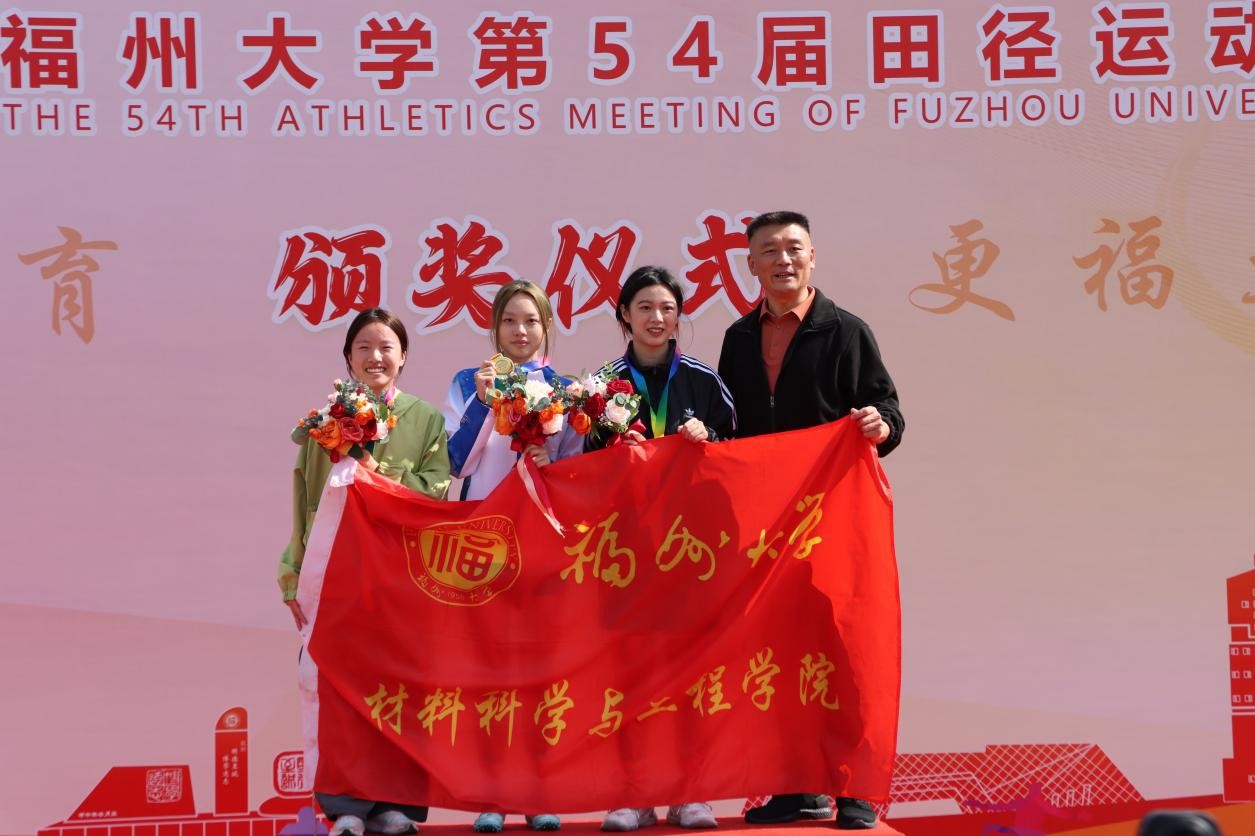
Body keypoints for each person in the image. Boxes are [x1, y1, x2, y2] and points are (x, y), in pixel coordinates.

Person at [717, 211, 904, 831]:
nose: (783, 260)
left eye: (793, 248)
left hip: (832, 519)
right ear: (751, 264)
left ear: (812, 256)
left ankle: (851, 787)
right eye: (769, 250)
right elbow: (730, 424)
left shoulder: (846, 331)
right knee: (778, 652)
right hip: (764, 525)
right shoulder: (738, 338)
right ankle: (794, 786)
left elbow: (887, 408)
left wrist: (880, 424)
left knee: (842, 649)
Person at [279, 307, 451, 836]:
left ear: (404, 357)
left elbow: (437, 490)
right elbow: (306, 497)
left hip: (403, 572)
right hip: (340, 571)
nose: (376, 357)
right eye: (364, 348)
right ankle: (347, 806)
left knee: (402, 685)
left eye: (386, 348)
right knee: (343, 689)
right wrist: (293, 570)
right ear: (348, 358)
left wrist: (378, 474)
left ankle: (398, 804)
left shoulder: (426, 419)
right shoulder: (325, 422)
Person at [594, 266, 736, 832]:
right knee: (628, 675)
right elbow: (578, 463)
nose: (657, 318)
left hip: (689, 552)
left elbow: (743, 456)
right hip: (624, 555)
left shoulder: (704, 380)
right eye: (645, 308)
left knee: (690, 672)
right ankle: (632, 795)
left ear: (679, 317)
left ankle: (688, 793)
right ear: (624, 316)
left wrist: (710, 441)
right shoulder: (600, 385)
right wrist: (611, 451)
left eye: (668, 309)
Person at [443, 280, 580, 833]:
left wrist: (552, 461)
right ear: (494, 327)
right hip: (482, 541)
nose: (520, 332)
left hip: (542, 543)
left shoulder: (566, 390)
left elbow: (579, 472)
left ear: (546, 327)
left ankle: (537, 791)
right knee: (489, 671)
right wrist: (484, 400)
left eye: (531, 321)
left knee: (540, 672)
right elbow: (457, 462)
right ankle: (492, 796)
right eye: (509, 321)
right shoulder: (467, 382)